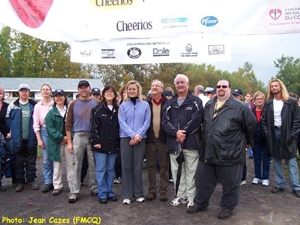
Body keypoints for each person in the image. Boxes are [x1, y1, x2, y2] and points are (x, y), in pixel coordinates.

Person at [187, 79, 256, 219]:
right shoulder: (209, 105)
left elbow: (251, 126)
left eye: (224, 86)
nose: (221, 89)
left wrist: (243, 142)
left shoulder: (240, 107)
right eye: (218, 86)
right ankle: (200, 203)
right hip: (208, 151)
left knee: (231, 184)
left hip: (230, 154)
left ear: (230, 88)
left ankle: (227, 207)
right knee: (203, 180)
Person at [162, 74, 203, 209]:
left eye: (182, 82)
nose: (180, 85)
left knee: (191, 171)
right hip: (174, 144)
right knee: (176, 172)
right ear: (175, 85)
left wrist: (183, 133)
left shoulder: (196, 101)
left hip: (191, 143)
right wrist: (176, 133)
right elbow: (165, 122)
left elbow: (196, 120)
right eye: (177, 83)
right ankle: (180, 196)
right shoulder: (169, 103)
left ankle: (191, 198)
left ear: (187, 83)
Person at [261, 78, 300, 197]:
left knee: (291, 160)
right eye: (272, 86)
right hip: (273, 133)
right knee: (276, 159)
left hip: (287, 133)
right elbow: (264, 120)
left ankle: (295, 187)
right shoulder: (268, 103)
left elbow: (297, 120)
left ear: (280, 87)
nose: (274, 88)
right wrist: (267, 133)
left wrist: (292, 135)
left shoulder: (291, 101)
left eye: (276, 86)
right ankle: (280, 184)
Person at [118, 80, 151, 205]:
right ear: (126, 91)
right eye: (129, 89)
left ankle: (138, 194)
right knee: (126, 166)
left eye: (134, 89)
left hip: (140, 138)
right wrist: (132, 135)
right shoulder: (123, 106)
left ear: (138, 90)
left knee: (137, 167)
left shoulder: (145, 105)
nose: (132, 91)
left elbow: (147, 121)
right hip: (125, 138)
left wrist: (138, 135)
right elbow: (122, 122)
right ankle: (127, 194)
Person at [66, 80, 98, 203]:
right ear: (78, 90)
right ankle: (74, 191)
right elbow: (68, 125)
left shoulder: (96, 103)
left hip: (92, 136)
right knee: (76, 164)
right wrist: (69, 142)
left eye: (85, 87)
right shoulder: (73, 104)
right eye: (81, 87)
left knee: (93, 164)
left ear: (89, 89)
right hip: (78, 136)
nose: (83, 90)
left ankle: (94, 188)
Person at [90, 85, 120, 204]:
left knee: (110, 169)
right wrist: (96, 142)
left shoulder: (118, 109)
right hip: (101, 146)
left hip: (113, 145)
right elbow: (93, 127)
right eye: (107, 92)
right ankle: (101, 193)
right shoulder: (97, 109)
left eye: (112, 92)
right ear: (103, 94)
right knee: (101, 170)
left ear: (114, 94)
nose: (109, 94)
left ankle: (109, 192)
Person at [6, 84, 39, 192]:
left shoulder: (34, 105)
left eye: (26, 91)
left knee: (31, 161)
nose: (24, 93)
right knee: (18, 161)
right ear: (18, 92)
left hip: (31, 137)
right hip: (17, 138)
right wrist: (12, 131)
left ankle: (31, 180)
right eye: (22, 91)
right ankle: (20, 182)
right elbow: (8, 121)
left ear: (29, 92)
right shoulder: (13, 106)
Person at [145, 80, 169, 202]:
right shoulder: (146, 103)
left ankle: (163, 191)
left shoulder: (168, 103)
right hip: (149, 139)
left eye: (157, 86)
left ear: (162, 89)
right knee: (151, 166)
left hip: (163, 139)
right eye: (153, 86)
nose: (154, 87)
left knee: (164, 166)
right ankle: (152, 190)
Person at [45, 89, 72, 196]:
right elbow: (50, 129)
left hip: (69, 142)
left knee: (70, 165)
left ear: (65, 98)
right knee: (57, 165)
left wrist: (68, 138)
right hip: (57, 143)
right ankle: (57, 186)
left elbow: (74, 126)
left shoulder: (69, 111)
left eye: (61, 96)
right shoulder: (51, 113)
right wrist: (61, 138)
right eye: (56, 96)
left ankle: (72, 185)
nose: (59, 98)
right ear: (54, 98)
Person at [33, 84, 54, 193]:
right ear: (41, 92)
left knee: (55, 158)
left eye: (48, 89)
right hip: (44, 131)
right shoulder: (38, 106)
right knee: (46, 160)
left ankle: (56, 182)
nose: (46, 91)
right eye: (43, 89)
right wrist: (39, 139)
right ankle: (47, 182)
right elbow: (35, 124)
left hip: (54, 132)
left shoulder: (54, 104)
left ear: (51, 92)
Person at [251, 91, 271, 186]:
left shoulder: (268, 110)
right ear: (254, 101)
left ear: (264, 100)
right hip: (256, 138)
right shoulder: (252, 111)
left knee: (266, 159)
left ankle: (266, 177)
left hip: (266, 138)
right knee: (257, 158)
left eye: (261, 99)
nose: (259, 101)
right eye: (257, 99)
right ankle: (257, 176)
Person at [0, 86, 15, 191]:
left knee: (12, 156)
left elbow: (11, 120)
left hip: (7, 135)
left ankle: (15, 179)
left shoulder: (8, 106)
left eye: (1, 91)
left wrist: (10, 132)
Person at [232, 88, 248, 186]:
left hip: (241, 136)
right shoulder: (230, 106)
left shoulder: (244, 107)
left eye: (236, 96)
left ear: (241, 97)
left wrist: (247, 140)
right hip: (231, 137)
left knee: (241, 159)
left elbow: (249, 124)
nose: (235, 97)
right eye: (233, 95)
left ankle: (243, 177)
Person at [113, 86, 126, 184]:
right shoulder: (117, 105)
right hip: (117, 134)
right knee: (118, 158)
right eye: (124, 92)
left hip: (128, 135)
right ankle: (119, 175)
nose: (126, 94)